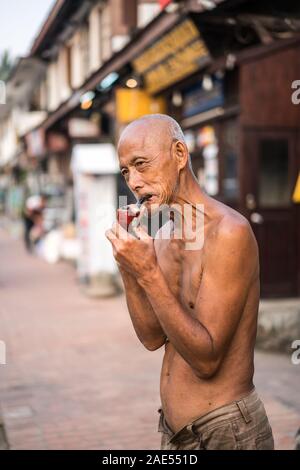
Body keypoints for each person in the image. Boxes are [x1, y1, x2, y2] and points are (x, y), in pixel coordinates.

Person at [105, 114, 274, 450]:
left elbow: (207, 361)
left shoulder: (229, 232)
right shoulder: (165, 236)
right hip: (175, 433)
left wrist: (150, 274)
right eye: (126, 172)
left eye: (141, 164)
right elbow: (152, 338)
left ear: (180, 155)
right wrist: (129, 267)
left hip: (228, 432)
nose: (134, 182)